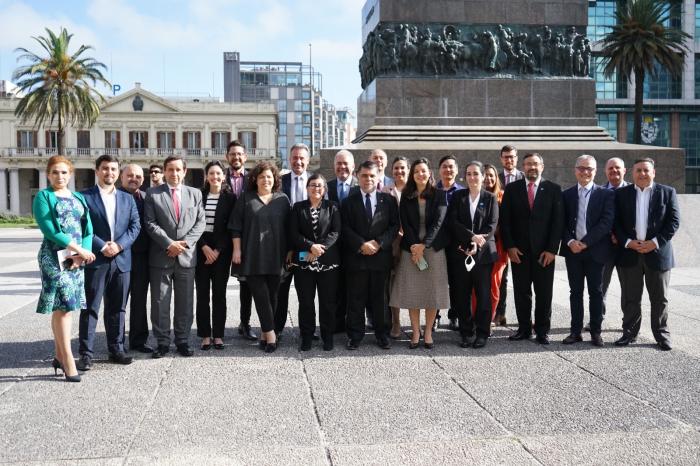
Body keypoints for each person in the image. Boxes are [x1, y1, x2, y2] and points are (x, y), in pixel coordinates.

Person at [33, 155, 95, 382]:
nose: (59, 176)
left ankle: (59, 355)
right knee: (65, 307)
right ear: (48, 175)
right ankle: (68, 359)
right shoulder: (44, 197)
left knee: (65, 307)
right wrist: (77, 249)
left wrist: (82, 253)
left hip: (76, 258)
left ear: (70, 174)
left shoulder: (78, 197)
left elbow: (88, 229)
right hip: (54, 257)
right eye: (55, 172)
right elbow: (50, 229)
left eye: (64, 172)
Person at [77, 155, 141, 371]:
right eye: (105, 169)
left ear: (118, 172)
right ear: (97, 171)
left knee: (118, 308)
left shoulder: (127, 198)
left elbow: (135, 227)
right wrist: (102, 245)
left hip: (122, 260)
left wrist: (119, 245)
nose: (109, 173)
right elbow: (82, 226)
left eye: (113, 169)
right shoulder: (84, 197)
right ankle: (86, 354)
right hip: (96, 260)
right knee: (91, 308)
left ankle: (116, 348)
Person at [613, 158, 680, 351]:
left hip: (658, 254)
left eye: (646, 170)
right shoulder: (621, 194)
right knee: (630, 297)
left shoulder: (667, 193)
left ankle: (661, 335)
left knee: (660, 298)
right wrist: (628, 242)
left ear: (654, 172)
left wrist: (654, 243)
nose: (642, 174)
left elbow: (674, 222)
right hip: (629, 253)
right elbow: (615, 222)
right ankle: (629, 333)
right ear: (632, 173)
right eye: (638, 170)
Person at [144, 155, 206, 358]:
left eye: (178, 169)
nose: (174, 173)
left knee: (185, 302)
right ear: (164, 171)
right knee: (160, 302)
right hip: (161, 257)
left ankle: (183, 341)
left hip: (186, 258)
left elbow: (200, 223)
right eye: (170, 169)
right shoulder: (153, 194)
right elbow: (150, 224)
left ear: (185, 171)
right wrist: (169, 244)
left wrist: (183, 244)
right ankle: (162, 342)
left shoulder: (195, 194)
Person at [501, 153, 564, 345]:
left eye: (535, 164)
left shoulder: (553, 189)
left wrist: (552, 250)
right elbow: (506, 221)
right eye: (528, 164)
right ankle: (524, 329)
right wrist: (510, 246)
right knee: (522, 292)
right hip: (519, 252)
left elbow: (558, 222)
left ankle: (543, 330)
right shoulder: (512, 189)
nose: (532, 167)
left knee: (544, 293)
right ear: (523, 166)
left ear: (542, 166)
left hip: (544, 253)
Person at [230, 162, 291, 353]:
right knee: (261, 296)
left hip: (277, 255)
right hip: (252, 254)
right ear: (255, 179)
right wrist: (237, 250)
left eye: (270, 177)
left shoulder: (282, 199)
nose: (266, 180)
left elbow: (290, 229)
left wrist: (290, 252)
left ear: (275, 180)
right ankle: (271, 335)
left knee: (273, 296)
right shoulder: (245, 198)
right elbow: (235, 226)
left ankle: (265, 332)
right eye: (262, 176)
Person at [390, 158, 449, 349]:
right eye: (416, 172)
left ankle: (429, 331)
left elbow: (439, 223)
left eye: (423, 171)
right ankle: (415, 332)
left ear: (429, 173)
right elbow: (405, 223)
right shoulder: (406, 195)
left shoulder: (439, 195)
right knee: (413, 292)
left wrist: (424, 245)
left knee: (432, 293)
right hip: (410, 248)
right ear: (412, 175)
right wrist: (415, 246)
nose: (420, 174)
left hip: (433, 249)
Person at [342, 160, 399, 350]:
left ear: (378, 178)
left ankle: (382, 334)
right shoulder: (349, 201)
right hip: (357, 257)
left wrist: (378, 243)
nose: (368, 179)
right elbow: (344, 227)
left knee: (380, 299)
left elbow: (394, 227)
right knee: (355, 299)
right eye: (364, 175)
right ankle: (355, 335)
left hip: (380, 257)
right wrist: (361, 244)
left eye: (372, 176)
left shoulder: (388, 201)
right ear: (357, 176)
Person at [559, 155, 615, 347]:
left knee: (596, 292)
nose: (585, 172)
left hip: (596, 251)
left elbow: (606, 223)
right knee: (575, 292)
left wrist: (586, 242)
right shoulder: (566, 195)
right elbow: (561, 223)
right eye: (581, 168)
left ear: (595, 171)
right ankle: (575, 332)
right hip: (573, 252)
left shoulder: (606, 194)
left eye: (589, 168)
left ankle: (596, 332)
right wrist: (570, 241)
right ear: (575, 170)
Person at [447, 161, 499, 348]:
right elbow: (453, 222)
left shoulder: (490, 198)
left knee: (483, 295)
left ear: (483, 176)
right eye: (468, 174)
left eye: (476, 173)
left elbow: (491, 226)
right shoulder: (458, 196)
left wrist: (478, 243)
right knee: (462, 295)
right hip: (462, 252)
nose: (472, 177)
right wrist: (471, 239)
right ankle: (466, 332)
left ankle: (482, 333)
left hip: (483, 256)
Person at [289, 174, 342, 351]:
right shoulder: (298, 208)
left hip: (328, 263)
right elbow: (293, 233)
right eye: (313, 185)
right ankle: (307, 337)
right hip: (304, 263)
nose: (316, 188)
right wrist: (311, 246)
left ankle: (328, 337)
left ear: (324, 189)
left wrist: (320, 249)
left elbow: (335, 232)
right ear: (307, 187)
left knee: (327, 302)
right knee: (306, 302)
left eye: (320, 186)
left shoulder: (333, 207)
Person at [195, 161, 236, 351]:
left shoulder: (230, 198)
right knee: (202, 294)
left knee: (219, 294)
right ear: (206, 176)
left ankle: (218, 335)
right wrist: (204, 247)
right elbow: (192, 224)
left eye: (218, 173)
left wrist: (218, 250)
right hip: (201, 248)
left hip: (222, 251)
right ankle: (205, 335)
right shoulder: (198, 196)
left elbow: (231, 227)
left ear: (224, 176)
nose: (215, 177)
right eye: (211, 173)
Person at [589, 157, 630, 331]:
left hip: (627, 249)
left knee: (628, 289)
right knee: (599, 288)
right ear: (605, 171)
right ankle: (596, 319)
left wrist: (622, 238)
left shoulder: (633, 191)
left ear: (624, 170)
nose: (614, 171)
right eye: (610, 168)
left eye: (617, 168)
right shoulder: (597, 192)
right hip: (603, 248)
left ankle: (628, 322)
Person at [222, 140, 256, 341]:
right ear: (227, 157)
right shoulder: (219, 176)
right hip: (221, 238)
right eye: (232, 154)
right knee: (218, 285)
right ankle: (217, 328)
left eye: (239, 154)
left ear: (245, 157)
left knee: (246, 283)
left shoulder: (253, 178)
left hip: (244, 237)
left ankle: (245, 322)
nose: (236, 157)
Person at [276, 143, 311, 336]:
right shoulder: (280, 182)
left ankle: (307, 329)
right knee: (280, 292)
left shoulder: (315, 182)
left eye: (302, 158)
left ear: (307, 160)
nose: (298, 161)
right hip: (284, 248)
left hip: (306, 248)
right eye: (294, 158)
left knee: (306, 293)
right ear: (289, 159)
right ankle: (278, 329)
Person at [119, 164, 154, 353]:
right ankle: (116, 342)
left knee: (139, 300)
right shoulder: (114, 197)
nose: (134, 179)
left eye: (138, 176)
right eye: (130, 175)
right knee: (118, 302)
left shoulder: (147, 197)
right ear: (121, 177)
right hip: (118, 255)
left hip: (142, 257)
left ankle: (138, 341)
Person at [326, 149, 358, 334]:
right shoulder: (326, 187)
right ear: (334, 166)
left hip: (355, 246)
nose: (342, 167)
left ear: (353, 166)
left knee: (354, 288)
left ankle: (353, 323)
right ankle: (336, 323)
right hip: (333, 247)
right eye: (339, 163)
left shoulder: (359, 186)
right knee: (334, 288)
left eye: (346, 163)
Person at [494, 145, 524, 326]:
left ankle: (523, 316)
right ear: (501, 159)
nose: (509, 160)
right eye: (505, 157)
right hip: (500, 235)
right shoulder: (495, 177)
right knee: (501, 277)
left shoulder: (524, 177)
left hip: (521, 236)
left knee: (521, 277)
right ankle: (500, 312)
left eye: (512, 157)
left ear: (516, 158)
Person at [436, 155, 465, 330]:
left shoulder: (462, 192)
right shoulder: (432, 191)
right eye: (444, 166)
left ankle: (454, 315)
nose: (448, 170)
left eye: (451, 167)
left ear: (456, 170)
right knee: (437, 282)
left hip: (456, 245)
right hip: (437, 245)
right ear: (439, 170)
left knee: (456, 282)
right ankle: (435, 315)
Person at [476, 164, 508, 323]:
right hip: (477, 246)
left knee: (494, 286)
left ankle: (489, 319)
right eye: (485, 175)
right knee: (477, 287)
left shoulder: (502, 196)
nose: (488, 178)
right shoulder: (475, 196)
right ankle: (476, 318)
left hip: (498, 248)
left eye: (491, 175)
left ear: (496, 178)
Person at [385, 156, 409, 339]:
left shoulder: (416, 190)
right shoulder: (386, 191)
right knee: (393, 284)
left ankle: (418, 323)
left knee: (415, 282)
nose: (399, 171)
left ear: (408, 170)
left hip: (412, 245)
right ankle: (396, 322)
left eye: (402, 168)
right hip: (393, 245)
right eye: (396, 168)